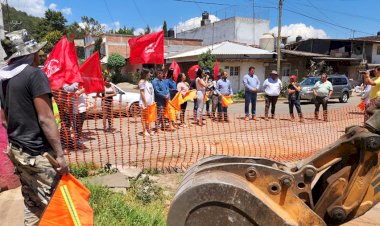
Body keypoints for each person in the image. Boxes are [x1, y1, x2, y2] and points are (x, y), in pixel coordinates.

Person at [0, 29, 68, 225]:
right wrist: (60, 156)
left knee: (32, 202)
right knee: (57, 203)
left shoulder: (4, 80)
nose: (39, 55)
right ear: (29, 53)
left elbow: (4, 120)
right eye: (36, 51)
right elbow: (46, 119)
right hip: (38, 154)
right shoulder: (34, 75)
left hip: (17, 151)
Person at [139, 68, 155, 136]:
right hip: (144, 103)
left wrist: (152, 101)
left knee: (149, 117)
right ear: (146, 74)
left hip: (150, 102)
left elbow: (151, 92)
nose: (150, 74)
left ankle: (149, 130)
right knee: (144, 117)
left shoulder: (148, 82)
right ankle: (144, 130)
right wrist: (145, 102)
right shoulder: (141, 82)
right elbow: (142, 93)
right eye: (149, 73)